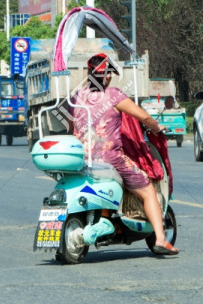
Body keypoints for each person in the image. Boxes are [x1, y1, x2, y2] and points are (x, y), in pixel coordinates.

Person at [70, 53, 178, 255]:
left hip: (81, 159)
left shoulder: (77, 97)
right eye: (110, 72)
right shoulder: (113, 95)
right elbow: (144, 116)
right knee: (149, 192)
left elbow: (71, 127)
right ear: (108, 76)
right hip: (110, 158)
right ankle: (161, 239)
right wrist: (156, 128)